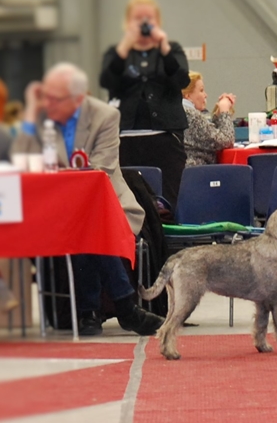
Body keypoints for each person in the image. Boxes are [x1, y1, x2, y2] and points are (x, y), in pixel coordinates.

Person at [11, 63, 163, 336]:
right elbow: (20, 159)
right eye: (47, 97)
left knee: (88, 225)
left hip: (108, 207)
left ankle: (89, 312)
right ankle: (125, 307)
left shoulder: (105, 116)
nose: (49, 103)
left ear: (78, 98)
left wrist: (58, 175)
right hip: (57, 210)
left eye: (56, 98)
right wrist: (31, 112)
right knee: (84, 225)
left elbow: (100, 170)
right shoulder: (43, 117)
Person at [100, 0, 190, 207]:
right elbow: (107, 81)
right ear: (127, 22)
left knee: (169, 202)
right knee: (127, 201)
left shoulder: (172, 50)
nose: (143, 24)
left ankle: (168, 229)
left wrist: (164, 48)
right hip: (125, 141)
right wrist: (124, 48)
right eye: (137, 18)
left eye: (148, 18)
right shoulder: (116, 53)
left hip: (165, 139)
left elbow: (182, 79)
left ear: (158, 21)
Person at [182, 71, 235, 166]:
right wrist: (224, 111)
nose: (205, 95)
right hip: (197, 169)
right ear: (188, 95)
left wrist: (218, 115)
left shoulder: (180, 111)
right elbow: (226, 141)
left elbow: (209, 137)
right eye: (201, 90)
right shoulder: (190, 115)